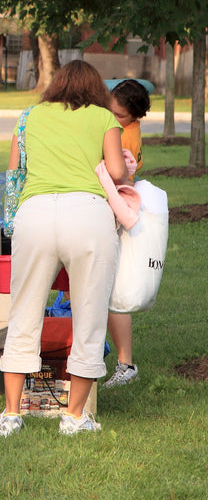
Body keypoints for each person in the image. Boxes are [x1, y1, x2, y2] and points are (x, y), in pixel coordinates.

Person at [0, 61, 127, 437]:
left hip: (35, 213)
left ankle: (10, 414)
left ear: (57, 84)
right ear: (95, 88)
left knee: (24, 312)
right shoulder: (104, 117)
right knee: (89, 315)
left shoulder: (30, 116)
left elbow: (15, 169)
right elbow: (117, 173)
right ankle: (74, 417)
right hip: (87, 214)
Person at [103, 79, 151, 388]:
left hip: (116, 211)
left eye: (119, 115)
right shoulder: (122, 128)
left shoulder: (126, 136)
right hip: (117, 209)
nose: (112, 117)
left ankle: (125, 363)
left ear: (132, 117)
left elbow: (116, 172)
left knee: (112, 292)